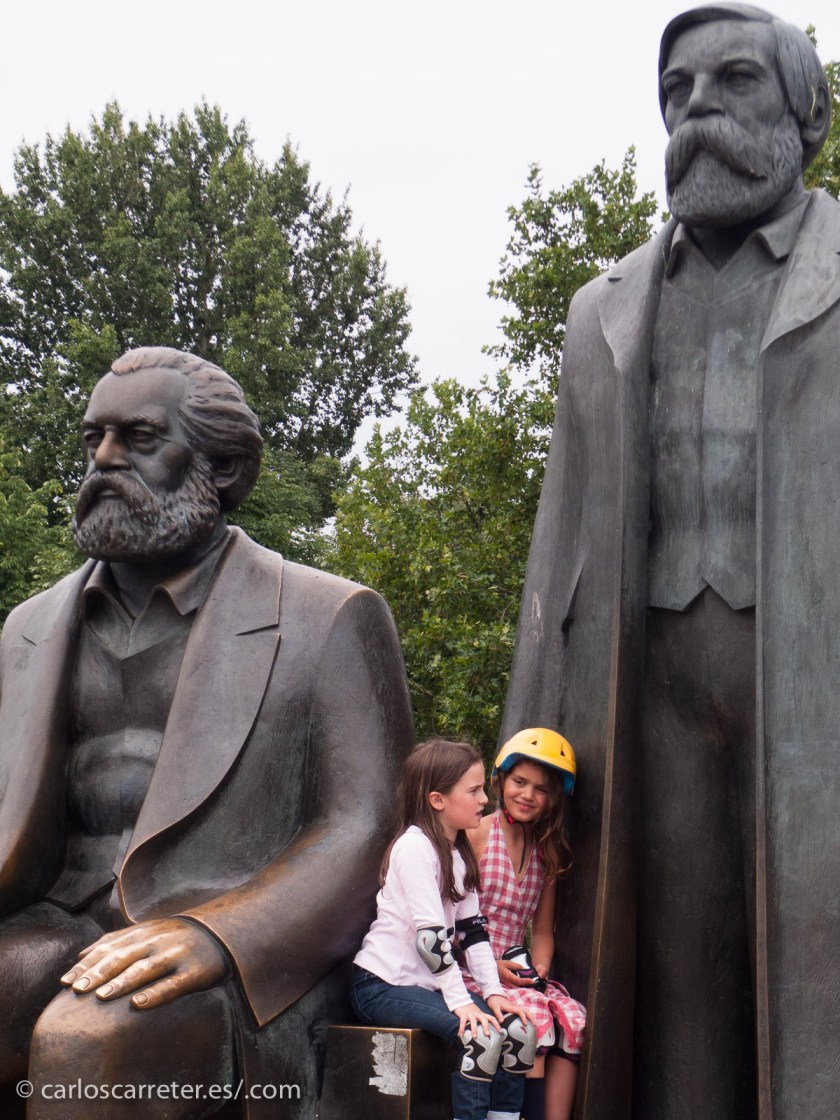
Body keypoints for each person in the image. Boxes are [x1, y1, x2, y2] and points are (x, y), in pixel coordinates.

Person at [501, 5, 840, 1118]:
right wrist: (524, 735)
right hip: (647, 690)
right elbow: (563, 542)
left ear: (810, 114)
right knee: (677, 968)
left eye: (733, 83)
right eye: (677, 94)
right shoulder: (603, 311)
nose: (698, 113)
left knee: (818, 949)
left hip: (817, 678)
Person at [0, 346, 414, 1120]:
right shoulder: (27, 630)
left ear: (223, 471)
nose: (106, 461)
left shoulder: (328, 616)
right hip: (46, 921)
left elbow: (363, 827)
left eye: (140, 438)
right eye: (94, 440)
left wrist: (220, 937)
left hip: (230, 949)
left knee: (87, 1045)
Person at [352, 739, 537, 1120]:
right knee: (480, 1039)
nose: (485, 799)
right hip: (381, 985)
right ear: (438, 800)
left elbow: (474, 934)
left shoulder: (459, 854)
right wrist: (463, 1003)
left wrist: (493, 993)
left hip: (425, 985)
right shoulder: (414, 849)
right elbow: (432, 942)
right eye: (473, 791)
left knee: (519, 1033)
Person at [464, 729, 585, 1120]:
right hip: (472, 964)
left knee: (573, 1022)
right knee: (534, 1022)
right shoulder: (477, 834)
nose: (528, 795)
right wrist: (493, 968)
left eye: (540, 789)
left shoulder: (546, 851)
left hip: (517, 969)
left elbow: (544, 930)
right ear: (500, 780)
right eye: (520, 782)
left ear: (554, 798)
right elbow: (450, 917)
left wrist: (542, 970)